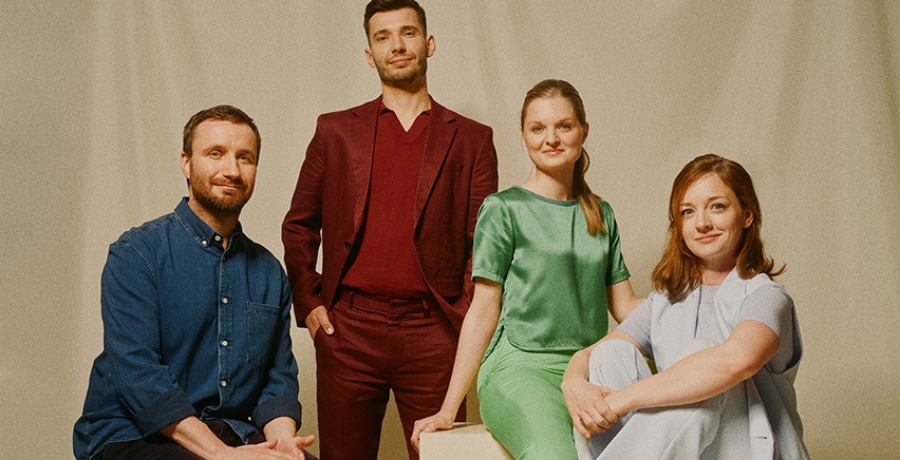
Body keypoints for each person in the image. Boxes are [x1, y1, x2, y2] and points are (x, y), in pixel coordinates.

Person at [281, 1, 498, 458]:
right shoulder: (335, 131)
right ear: (369, 54)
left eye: (408, 33)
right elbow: (299, 224)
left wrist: (460, 318)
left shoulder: (472, 139)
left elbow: (482, 243)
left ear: (429, 43)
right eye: (383, 37)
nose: (396, 45)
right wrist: (311, 302)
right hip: (349, 331)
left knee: (441, 455)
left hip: (434, 333)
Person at [411, 79, 640, 459]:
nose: (551, 138)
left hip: (588, 371)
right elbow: (483, 310)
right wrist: (448, 409)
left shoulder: (601, 213)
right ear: (523, 135)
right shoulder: (503, 210)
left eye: (564, 126)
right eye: (538, 128)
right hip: (519, 368)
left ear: (583, 131)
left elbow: (626, 307)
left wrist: (697, 303)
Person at [73, 105, 316, 460]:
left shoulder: (268, 271)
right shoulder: (137, 254)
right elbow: (139, 376)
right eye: (215, 154)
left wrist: (283, 447)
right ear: (186, 163)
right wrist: (221, 455)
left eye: (244, 157)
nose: (231, 170)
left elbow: (276, 381)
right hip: (132, 435)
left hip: (231, 432)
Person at [562, 154, 808, 460]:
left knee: (700, 356)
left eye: (717, 206)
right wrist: (573, 382)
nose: (702, 223)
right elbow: (588, 356)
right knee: (610, 354)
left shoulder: (766, 297)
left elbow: (734, 362)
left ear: (747, 215)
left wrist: (622, 401)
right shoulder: (666, 300)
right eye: (688, 212)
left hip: (745, 452)